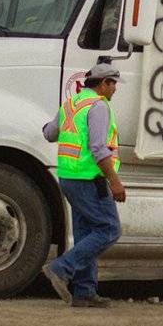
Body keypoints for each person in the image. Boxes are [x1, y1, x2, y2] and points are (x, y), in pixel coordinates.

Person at [40, 63, 127, 308]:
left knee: (86, 235)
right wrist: (115, 181)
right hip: (90, 179)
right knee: (109, 229)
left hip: (68, 177)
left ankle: (84, 292)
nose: (115, 90)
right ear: (102, 84)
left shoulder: (71, 104)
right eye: (113, 84)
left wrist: (46, 126)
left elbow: (49, 133)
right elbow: (98, 148)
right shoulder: (99, 107)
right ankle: (60, 269)